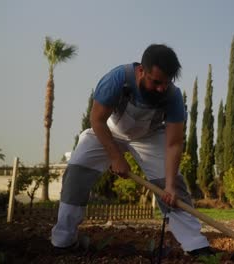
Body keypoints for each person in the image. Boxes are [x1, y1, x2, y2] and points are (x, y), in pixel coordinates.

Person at [51, 44, 214, 256]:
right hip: (108, 131)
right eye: (155, 82)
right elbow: (97, 120)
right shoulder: (117, 79)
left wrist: (170, 186)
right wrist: (115, 157)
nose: (161, 88)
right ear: (140, 71)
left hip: (148, 136)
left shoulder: (172, 96)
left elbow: (174, 143)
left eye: (166, 83)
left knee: (173, 186)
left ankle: (196, 245)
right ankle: (63, 240)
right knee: (76, 173)